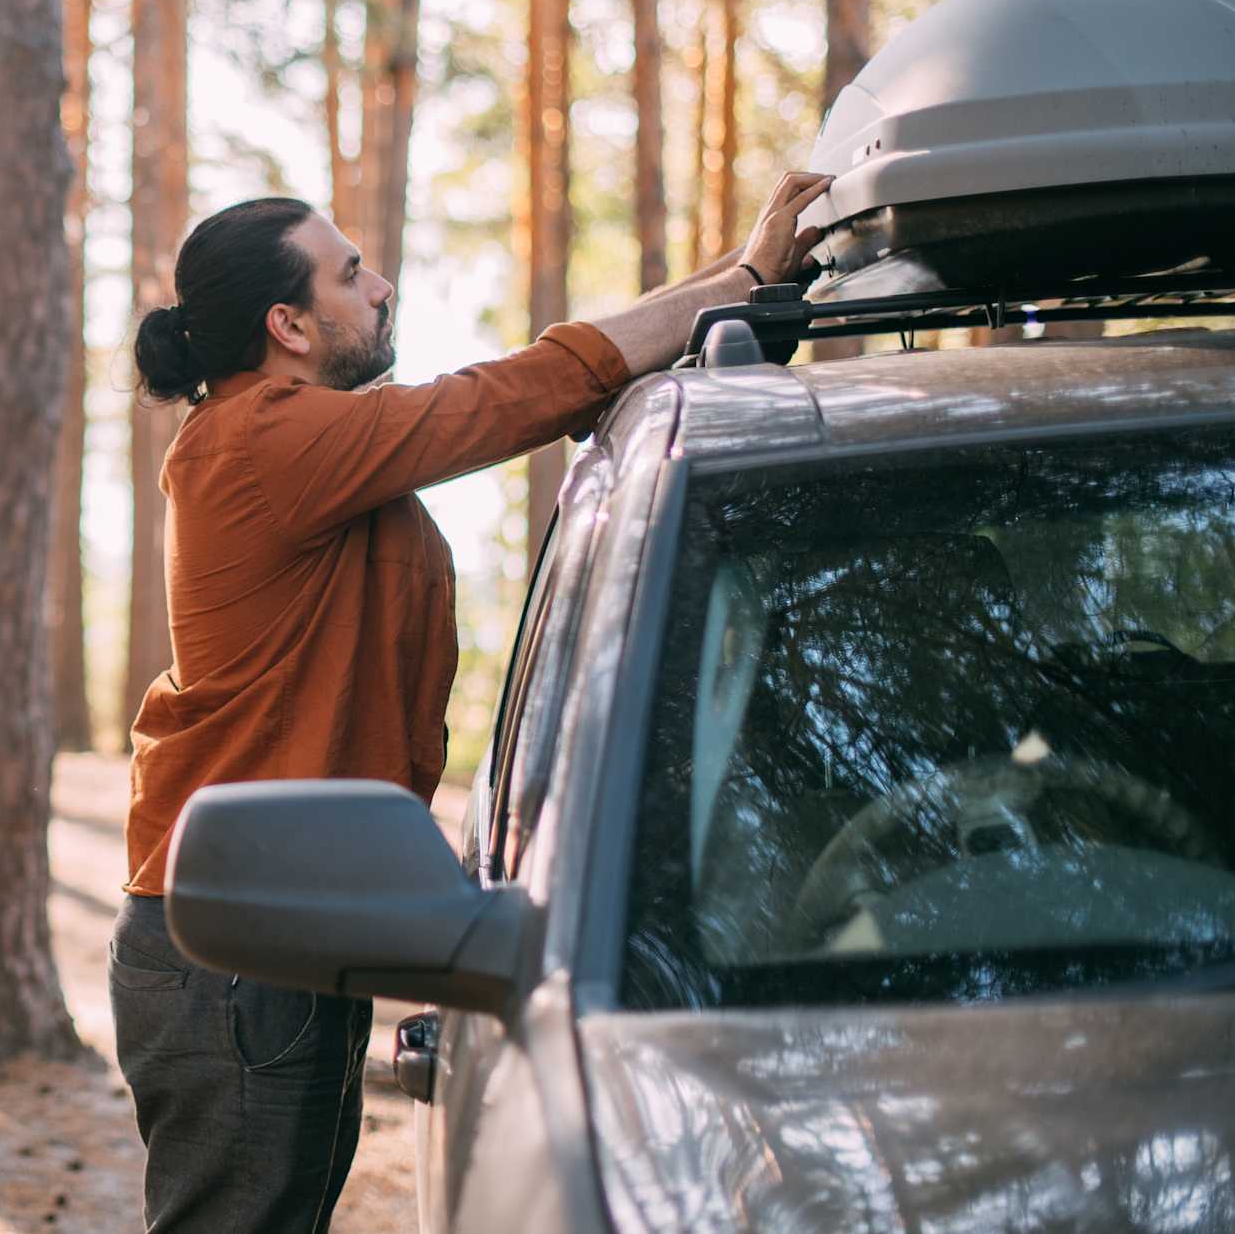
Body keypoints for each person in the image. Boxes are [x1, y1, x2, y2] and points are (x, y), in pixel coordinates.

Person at [108, 172, 836, 1231]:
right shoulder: (265, 444)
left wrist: (741, 279)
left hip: (273, 926)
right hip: (226, 944)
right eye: (352, 275)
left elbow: (556, 385)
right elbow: (506, 397)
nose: (383, 287)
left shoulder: (301, 443)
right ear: (290, 325)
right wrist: (748, 272)